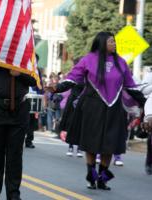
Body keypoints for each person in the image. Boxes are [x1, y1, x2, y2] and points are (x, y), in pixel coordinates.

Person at [45, 32, 146, 190]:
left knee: (110, 145)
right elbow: (73, 78)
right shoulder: (88, 59)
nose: (114, 44)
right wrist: (57, 88)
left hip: (114, 109)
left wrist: (144, 102)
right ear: (101, 43)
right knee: (91, 144)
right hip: (92, 107)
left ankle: (103, 179)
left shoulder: (121, 62)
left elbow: (130, 86)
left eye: (114, 41)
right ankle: (92, 177)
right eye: (111, 41)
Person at [0, 62, 36, 198]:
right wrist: (8, 62)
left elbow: (34, 81)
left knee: (15, 155)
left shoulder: (26, 55)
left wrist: (20, 74)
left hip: (19, 108)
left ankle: (13, 193)